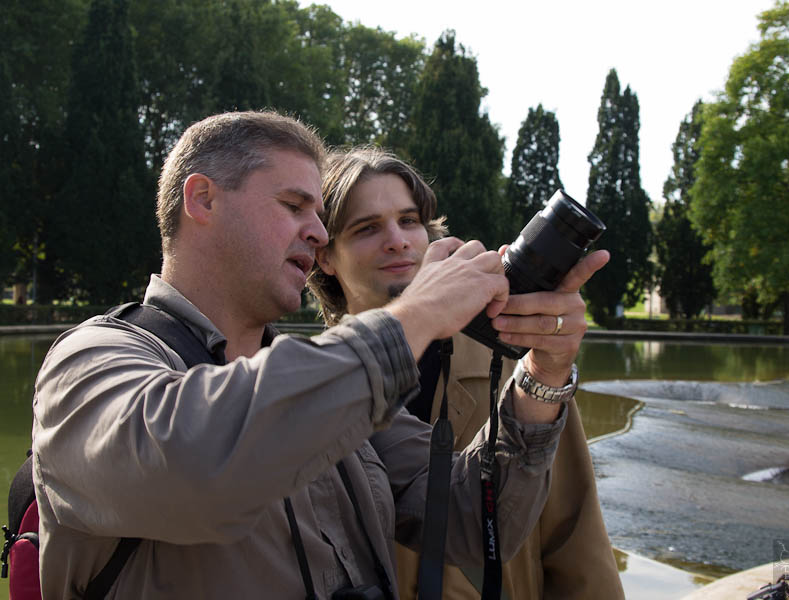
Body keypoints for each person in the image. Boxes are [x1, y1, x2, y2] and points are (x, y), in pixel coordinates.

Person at [32, 111, 575, 599]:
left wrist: (542, 374)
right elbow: (194, 466)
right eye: (293, 206)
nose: (317, 233)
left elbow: (470, 520)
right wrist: (418, 313)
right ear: (202, 200)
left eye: (318, 212)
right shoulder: (90, 361)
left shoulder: (323, 378)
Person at [308, 146, 624, 599]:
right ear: (325, 257)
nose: (397, 239)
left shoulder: (520, 365)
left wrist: (548, 369)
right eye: (367, 228)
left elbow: (574, 536)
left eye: (409, 220)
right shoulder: (307, 386)